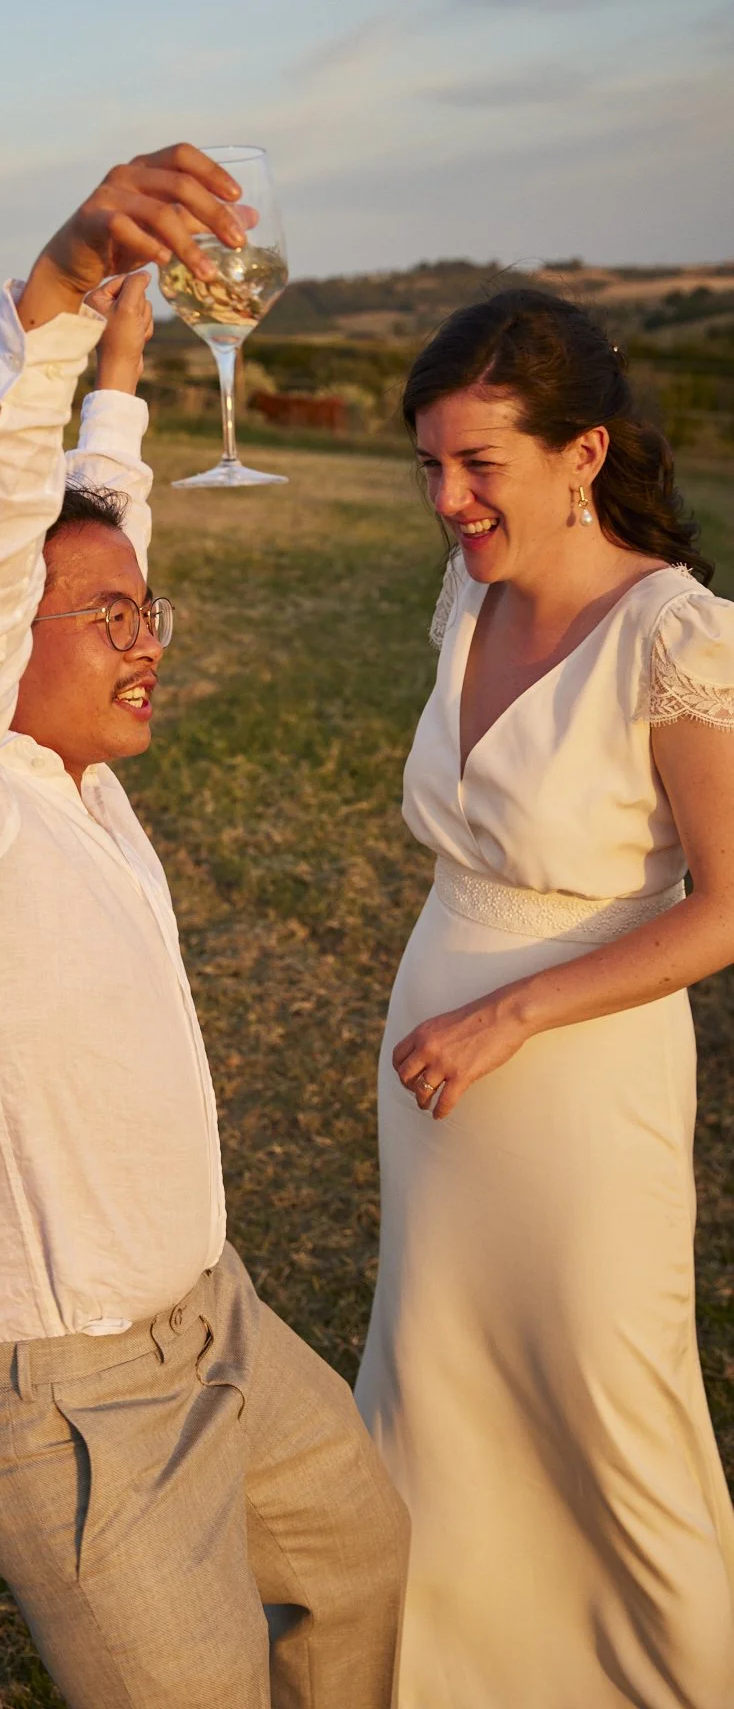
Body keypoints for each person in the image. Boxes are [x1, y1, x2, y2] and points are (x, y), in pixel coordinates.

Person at [0, 145, 408, 1708]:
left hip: (222, 1321)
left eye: (153, 615)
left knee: (362, 1563)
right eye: (114, 624)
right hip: (70, 1404)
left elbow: (86, 524)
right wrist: (54, 303)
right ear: (3, 650)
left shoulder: (67, 769)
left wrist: (124, 370)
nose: (150, 647)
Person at [354, 287, 734, 1707]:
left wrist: (513, 1014)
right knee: (438, 1386)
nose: (447, 501)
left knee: (603, 1408)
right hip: (436, 1096)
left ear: (581, 456)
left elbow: (724, 910)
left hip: (580, 1092)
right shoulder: (472, 592)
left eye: (477, 466)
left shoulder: (676, 638)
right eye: (429, 467)